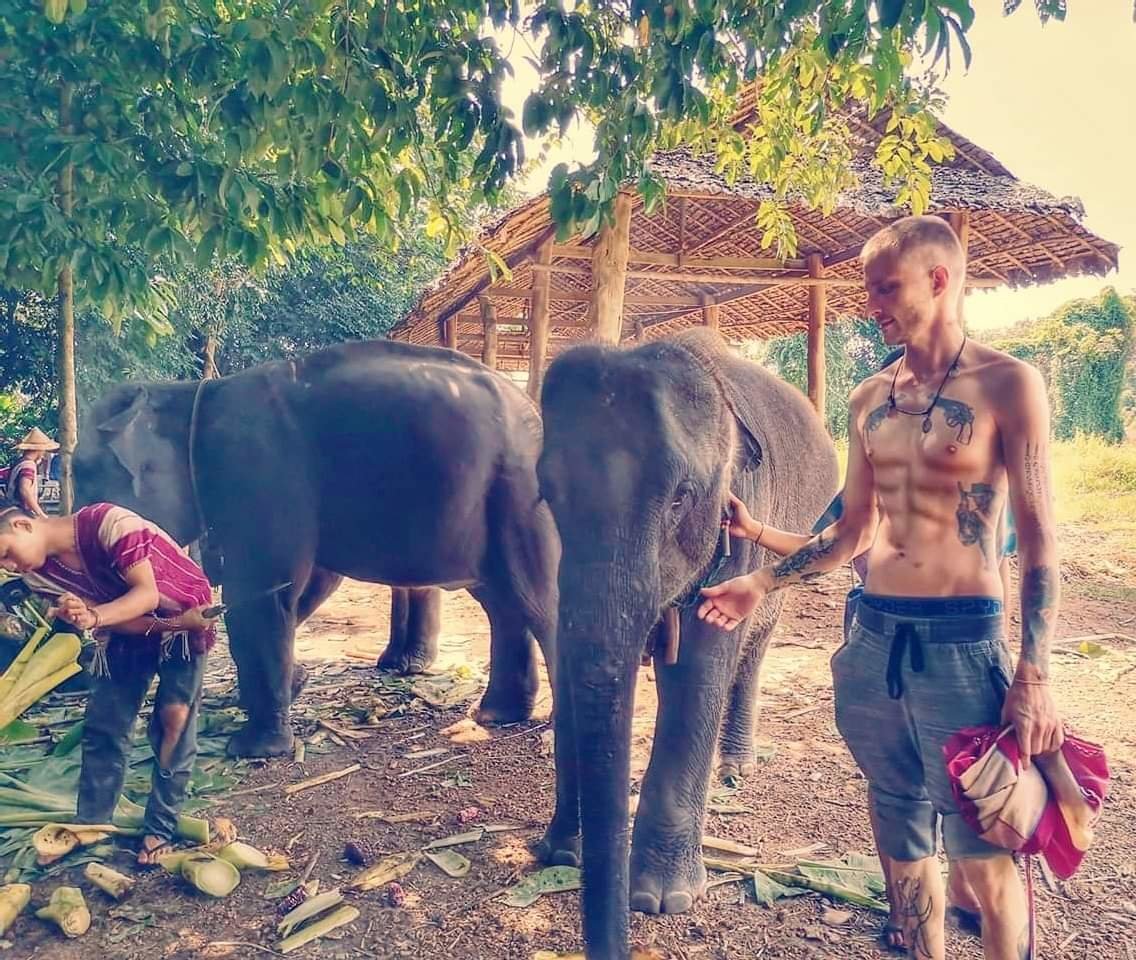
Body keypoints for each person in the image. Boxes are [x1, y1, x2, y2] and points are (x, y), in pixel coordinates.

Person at [699, 215, 1062, 960]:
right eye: (869, 290)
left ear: (939, 279)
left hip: (962, 644)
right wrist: (759, 578)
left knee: (985, 853)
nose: (873, 305)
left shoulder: (1007, 384)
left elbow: (1040, 541)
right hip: (872, 640)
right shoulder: (870, 398)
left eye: (887, 288)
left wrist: (1034, 674)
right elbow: (852, 534)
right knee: (898, 832)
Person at [0, 503, 215, 866]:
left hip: (188, 615)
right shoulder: (38, 577)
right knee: (106, 723)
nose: (8, 566)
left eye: (5, 553)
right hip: (126, 628)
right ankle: (92, 822)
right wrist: (86, 617)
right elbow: (118, 621)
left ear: (22, 525)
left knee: (174, 720)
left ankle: (161, 827)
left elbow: (146, 595)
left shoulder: (110, 524)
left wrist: (96, 614)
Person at [5, 428, 58, 518]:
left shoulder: (19, 462)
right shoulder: (28, 465)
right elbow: (24, 490)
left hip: (12, 507)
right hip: (21, 510)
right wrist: (39, 513)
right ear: (39, 450)